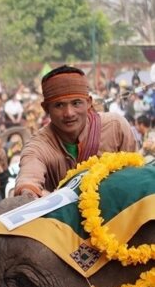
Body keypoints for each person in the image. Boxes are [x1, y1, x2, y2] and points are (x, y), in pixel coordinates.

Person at [14, 66, 138, 197]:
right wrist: (29, 193)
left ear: (89, 102)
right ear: (46, 108)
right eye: (59, 105)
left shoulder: (115, 127)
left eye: (76, 103)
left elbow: (136, 173)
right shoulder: (38, 147)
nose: (69, 113)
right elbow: (28, 180)